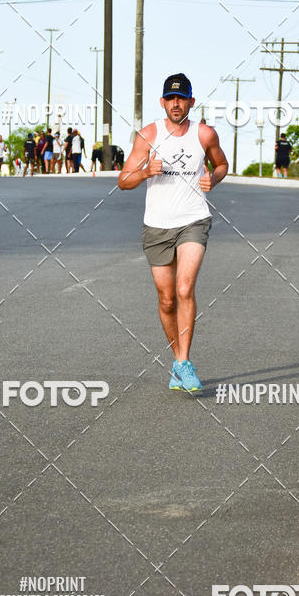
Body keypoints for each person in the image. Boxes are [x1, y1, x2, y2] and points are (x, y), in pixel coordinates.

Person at [118, 72, 228, 391]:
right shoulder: (149, 135)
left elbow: (221, 164)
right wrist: (143, 171)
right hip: (156, 224)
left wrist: (214, 179)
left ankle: (184, 362)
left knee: (184, 290)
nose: (176, 104)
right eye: (171, 98)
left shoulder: (204, 134)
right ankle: (178, 359)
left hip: (194, 219)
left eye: (182, 98)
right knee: (166, 300)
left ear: (191, 102)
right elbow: (123, 181)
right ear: (163, 102)